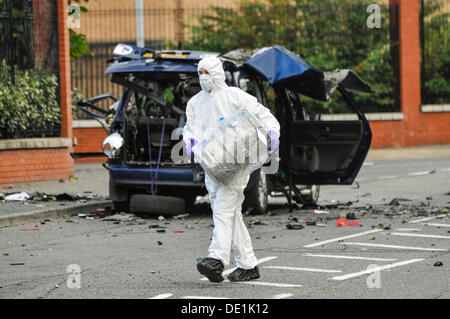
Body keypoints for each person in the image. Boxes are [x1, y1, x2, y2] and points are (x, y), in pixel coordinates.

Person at [183, 55, 280, 282]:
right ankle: (248, 265)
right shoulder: (195, 103)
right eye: (200, 73)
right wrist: (190, 142)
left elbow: (262, 114)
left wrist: (272, 132)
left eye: (207, 72)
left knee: (224, 209)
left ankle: (216, 259)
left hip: (236, 164)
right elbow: (190, 129)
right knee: (230, 213)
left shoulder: (234, 96)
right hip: (212, 166)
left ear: (216, 73)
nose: (203, 77)